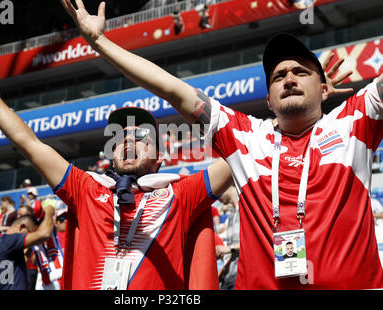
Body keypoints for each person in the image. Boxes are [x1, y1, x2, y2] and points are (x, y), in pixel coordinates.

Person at [50, 1, 383, 289]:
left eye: (301, 72)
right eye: (279, 76)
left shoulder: (355, 118)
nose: (290, 79)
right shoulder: (245, 135)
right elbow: (171, 89)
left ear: (324, 89)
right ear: (268, 99)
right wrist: (100, 42)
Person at [0, 34, 232, 290]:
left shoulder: (182, 194)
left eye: (142, 135)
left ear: (160, 157)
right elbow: (28, 143)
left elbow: (239, 150)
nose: (128, 140)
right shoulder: (86, 188)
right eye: (118, 136)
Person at [0, 206, 55, 290]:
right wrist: (49, 212)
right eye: (31, 234)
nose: (32, 240)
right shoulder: (9, 240)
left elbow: (17, 266)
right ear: (21, 227)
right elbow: (45, 234)